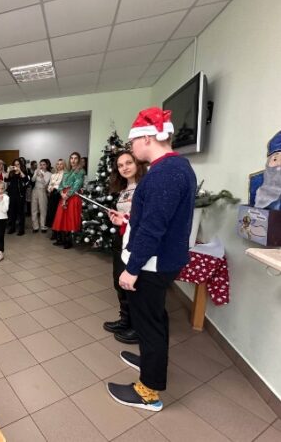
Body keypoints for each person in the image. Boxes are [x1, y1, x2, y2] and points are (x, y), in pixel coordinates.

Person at [107, 107, 196, 413]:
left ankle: (148, 391)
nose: (131, 148)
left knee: (149, 322)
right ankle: (149, 361)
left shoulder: (165, 173)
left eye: (133, 142)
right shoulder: (174, 166)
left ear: (146, 138)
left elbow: (154, 227)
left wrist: (132, 269)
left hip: (150, 264)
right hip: (158, 261)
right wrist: (127, 219)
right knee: (153, 318)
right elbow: (152, 218)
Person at [104, 151, 147, 345]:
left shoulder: (144, 186)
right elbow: (127, 216)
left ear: (138, 163)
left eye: (128, 163)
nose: (124, 168)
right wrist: (118, 218)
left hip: (136, 241)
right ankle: (125, 320)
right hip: (121, 238)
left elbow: (144, 218)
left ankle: (137, 328)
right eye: (120, 165)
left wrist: (126, 219)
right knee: (119, 280)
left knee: (133, 283)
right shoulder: (124, 188)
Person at [52, 152, 85, 249]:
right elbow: (61, 184)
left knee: (70, 218)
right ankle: (62, 239)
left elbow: (77, 185)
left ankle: (69, 241)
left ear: (78, 160)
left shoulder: (80, 171)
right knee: (61, 218)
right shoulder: (67, 171)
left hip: (73, 197)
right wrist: (61, 193)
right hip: (64, 196)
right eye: (71, 158)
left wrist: (67, 195)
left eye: (75, 158)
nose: (73, 160)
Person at [6, 158, 29, 235]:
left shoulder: (23, 171)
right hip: (12, 194)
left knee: (21, 213)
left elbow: (26, 180)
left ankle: (21, 229)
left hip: (20, 195)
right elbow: (6, 179)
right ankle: (12, 228)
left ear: (20, 165)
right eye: (15, 164)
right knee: (12, 212)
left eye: (18, 164)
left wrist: (20, 171)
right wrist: (8, 171)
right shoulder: (11, 172)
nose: (16, 166)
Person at [31, 159, 52, 233]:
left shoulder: (49, 174)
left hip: (42, 191)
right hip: (35, 190)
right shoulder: (37, 171)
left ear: (47, 165)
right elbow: (32, 180)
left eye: (44, 164)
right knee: (34, 209)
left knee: (43, 209)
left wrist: (42, 177)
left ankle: (43, 226)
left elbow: (46, 184)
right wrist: (35, 174)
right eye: (41, 164)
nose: (42, 166)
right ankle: (35, 227)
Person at [46, 159, 66, 239]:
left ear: (64, 165)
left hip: (59, 195)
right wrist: (50, 188)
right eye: (58, 164)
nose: (59, 165)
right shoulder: (53, 175)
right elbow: (49, 185)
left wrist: (55, 187)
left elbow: (64, 186)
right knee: (52, 214)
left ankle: (59, 234)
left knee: (59, 215)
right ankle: (54, 232)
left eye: (61, 164)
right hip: (52, 196)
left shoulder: (65, 174)